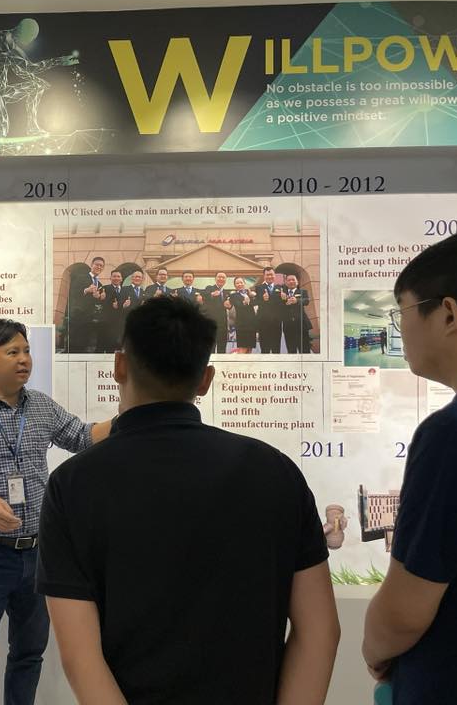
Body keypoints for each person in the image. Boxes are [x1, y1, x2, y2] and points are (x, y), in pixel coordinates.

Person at [37, 297, 339, 704]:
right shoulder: (274, 470)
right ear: (206, 380)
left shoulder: (73, 483)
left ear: (119, 366)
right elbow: (320, 631)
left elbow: (80, 657)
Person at [0, 319, 111, 705]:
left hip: (37, 555)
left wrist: (131, 414)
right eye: (12, 352)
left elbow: (82, 437)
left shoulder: (41, 406)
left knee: (29, 656)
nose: (24, 359)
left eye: (26, 350)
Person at [363, 230, 457, 705]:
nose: (399, 330)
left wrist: (375, 646)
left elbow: (403, 614)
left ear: (448, 314)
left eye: (401, 313)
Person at [0, 18, 79, 139]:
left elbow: (18, 69)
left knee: (37, 86)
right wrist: (59, 61)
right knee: (0, 132)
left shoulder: (10, 44)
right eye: (32, 36)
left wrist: (36, 80)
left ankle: (32, 128)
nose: (31, 40)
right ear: (25, 32)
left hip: (3, 90)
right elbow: (29, 67)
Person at [67, 256, 106, 353]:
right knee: (74, 344)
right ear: (92, 265)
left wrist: (100, 298)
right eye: (97, 264)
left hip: (90, 318)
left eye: (101, 266)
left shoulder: (100, 284)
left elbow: (95, 301)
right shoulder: (81, 277)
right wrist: (86, 290)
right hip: (78, 316)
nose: (99, 267)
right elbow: (73, 293)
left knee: (84, 345)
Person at [254, 267, 284, 353]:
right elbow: (256, 302)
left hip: (276, 323)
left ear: (275, 275)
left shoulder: (281, 288)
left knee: (276, 349)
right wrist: (263, 299)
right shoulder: (259, 288)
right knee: (264, 349)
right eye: (267, 275)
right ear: (264, 276)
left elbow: (284, 304)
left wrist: (284, 299)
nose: (270, 276)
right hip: (263, 323)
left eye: (271, 274)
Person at [225, 276, 258, 354]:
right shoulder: (233, 295)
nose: (239, 284)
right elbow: (238, 305)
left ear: (244, 283)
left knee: (249, 348)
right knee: (243, 348)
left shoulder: (250, 294)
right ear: (235, 285)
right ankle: (239, 362)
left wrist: (252, 296)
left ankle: (248, 363)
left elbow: (256, 302)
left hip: (252, 325)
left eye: (241, 282)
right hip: (242, 325)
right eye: (237, 283)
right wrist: (244, 302)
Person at [281, 274, 312, 354]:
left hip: (302, 325)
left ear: (297, 282)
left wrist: (297, 301)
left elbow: (306, 301)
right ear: (286, 282)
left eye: (293, 280)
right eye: (289, 280)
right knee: (291, 350)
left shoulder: (303, 291)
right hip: (288, 326)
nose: (291, 281)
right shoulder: (282, 294)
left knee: (305, 350)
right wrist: (283, 301)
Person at [202, 271, 230, 353]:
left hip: (223, 324)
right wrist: (212, 294)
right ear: (215, 279)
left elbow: (229, 306)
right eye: (219, 277)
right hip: (211, 324)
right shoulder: (209, 288)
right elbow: (204, 296)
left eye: (223, 277)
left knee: (222, 348)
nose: (221, 279)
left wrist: (229, 305)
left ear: (225, 280)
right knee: (211, 348)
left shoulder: (226, 292)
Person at [101, 269, 126, 353]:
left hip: (121, 322)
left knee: (119, 347)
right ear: (110, 278)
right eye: (114, 276)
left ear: (121, 278)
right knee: (108, 346)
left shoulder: (125, 290)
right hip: (108, 322)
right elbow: (100, 302)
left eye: (118, 276)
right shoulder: (105, 288)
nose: (116, 278)